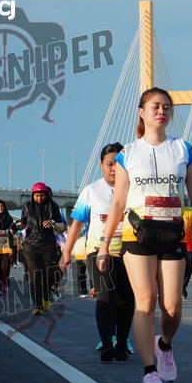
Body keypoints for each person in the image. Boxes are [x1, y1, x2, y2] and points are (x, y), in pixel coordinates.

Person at [96, 87, 192, 383]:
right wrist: (104, 244)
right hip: (137, 235)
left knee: (172, 307)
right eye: (155, 106)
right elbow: (118, 202)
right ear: (142, 112)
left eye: (166, 106)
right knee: (146, 301)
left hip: (172, 233)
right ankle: (149, 373)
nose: (161, 111)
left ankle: (163, 344)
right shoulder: (128, 154)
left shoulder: (183, 149)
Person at [60, 143, 135, 362]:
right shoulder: (91, 191)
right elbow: (77, 224)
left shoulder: (134, 190)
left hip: (129, 253)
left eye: (118, 164)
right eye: (109, 164)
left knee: (126, 300)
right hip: (98, 252)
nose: (113, 169)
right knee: (105, 296)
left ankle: (122, 344)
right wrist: (66, 252)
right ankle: (107, 344)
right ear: (101, 165)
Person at [19, 182, 65, 315]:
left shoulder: (53, 207)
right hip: (31, 246)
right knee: (35, 276)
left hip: (48, 246)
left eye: (42, 195)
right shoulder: (27, 207)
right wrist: (15, 227)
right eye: (37, 196)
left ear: (46, 195)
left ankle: (46, 297)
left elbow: (62, 227)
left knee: (49, 275)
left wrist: (53, 223)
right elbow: (23, 223)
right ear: (33, 195)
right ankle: (38, 305)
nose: (39, 198)